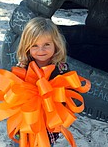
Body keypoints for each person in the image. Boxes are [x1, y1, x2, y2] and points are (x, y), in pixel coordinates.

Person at [15, 17, 70, 147]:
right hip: (26, 121)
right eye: (35, 45)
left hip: (49, 120)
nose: (41, 50)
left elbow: (69, 93)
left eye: (47, 44)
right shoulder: (22, 68)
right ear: (26, 46)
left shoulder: (61, 69)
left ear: (56, 44)